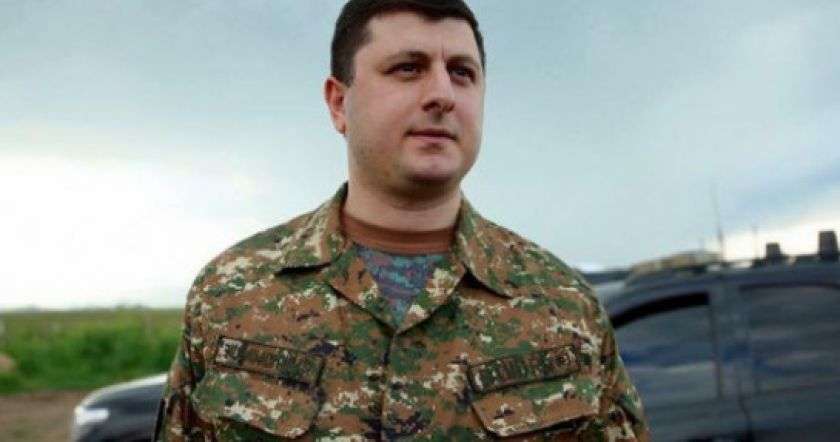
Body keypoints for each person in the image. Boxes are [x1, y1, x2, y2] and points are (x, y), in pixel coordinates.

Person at [154, 0, 649, 440]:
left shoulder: (564, 307)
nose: (443, 94)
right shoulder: (232, 294)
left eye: (462, 73)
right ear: (339, 103)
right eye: (408, 68)